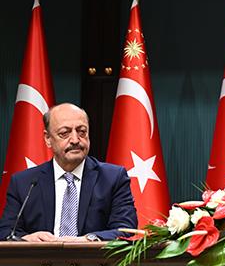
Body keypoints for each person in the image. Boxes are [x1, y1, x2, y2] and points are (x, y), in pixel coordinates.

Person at [0, 103, 137, 242]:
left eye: (82, 131)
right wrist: (26, 239)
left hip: (93, 256)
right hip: (41, 255)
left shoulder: (113, 178)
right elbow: (6, 232)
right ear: (48, 139)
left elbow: (126, 230)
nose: (75, 140)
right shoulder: (24, 183)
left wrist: (88, 240)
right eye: (64, 133)